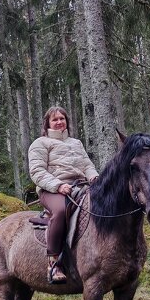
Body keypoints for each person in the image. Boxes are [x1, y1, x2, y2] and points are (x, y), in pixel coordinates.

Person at [28, 106, 98, 284]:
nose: (59, 122)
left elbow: (86, 165)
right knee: (59, 211)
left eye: (62, 119)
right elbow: (37, 171)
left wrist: (94, 176)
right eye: (55, 119)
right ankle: (53, 264)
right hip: (51, 190)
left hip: (80, 186)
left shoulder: (76, 143)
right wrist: (58, 185)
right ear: (47, 123)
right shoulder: (40, 143)